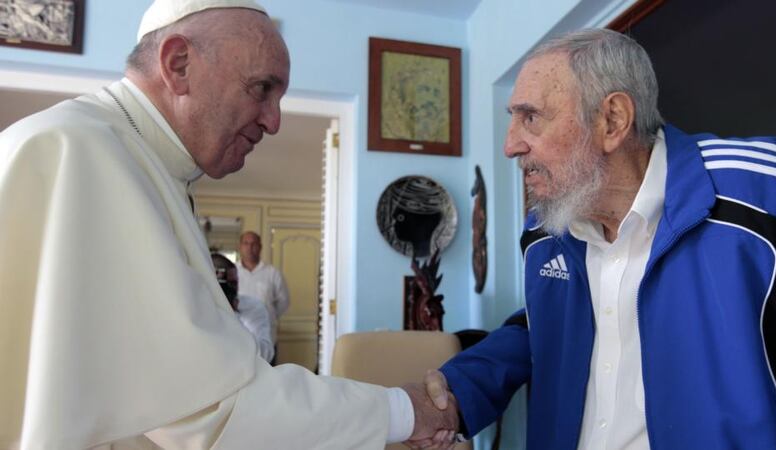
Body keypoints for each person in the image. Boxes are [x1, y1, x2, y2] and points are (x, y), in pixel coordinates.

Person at [0, 0, 457, 448]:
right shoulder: (78, 153)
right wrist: (404, 411)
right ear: (178, 64)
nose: (275, 121)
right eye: (261, 89)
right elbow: (211, 410)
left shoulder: (135, 159)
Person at [411, 28, 776, 449]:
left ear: (612, 120)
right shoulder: (546, 228)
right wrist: (459, 393)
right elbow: (547, 324)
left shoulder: (769, 197)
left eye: (531, 117)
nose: (510, 145)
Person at [236, 231, 289, 364]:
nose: (250, 247)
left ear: (260, 247)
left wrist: (267, 315)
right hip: (237, 340)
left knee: (268, 380)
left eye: (254, 244)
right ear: (240, 246)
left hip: (267, 338)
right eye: (246, 243)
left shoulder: (272, 273)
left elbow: (284, 302)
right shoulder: (233, 271)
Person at [212, 252, 275, 363]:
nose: (230, 290)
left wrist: (232, 315)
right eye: (223, 284)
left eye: (233, 283)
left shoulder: (254, 307)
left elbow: (265, 354)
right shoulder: (194, 311)